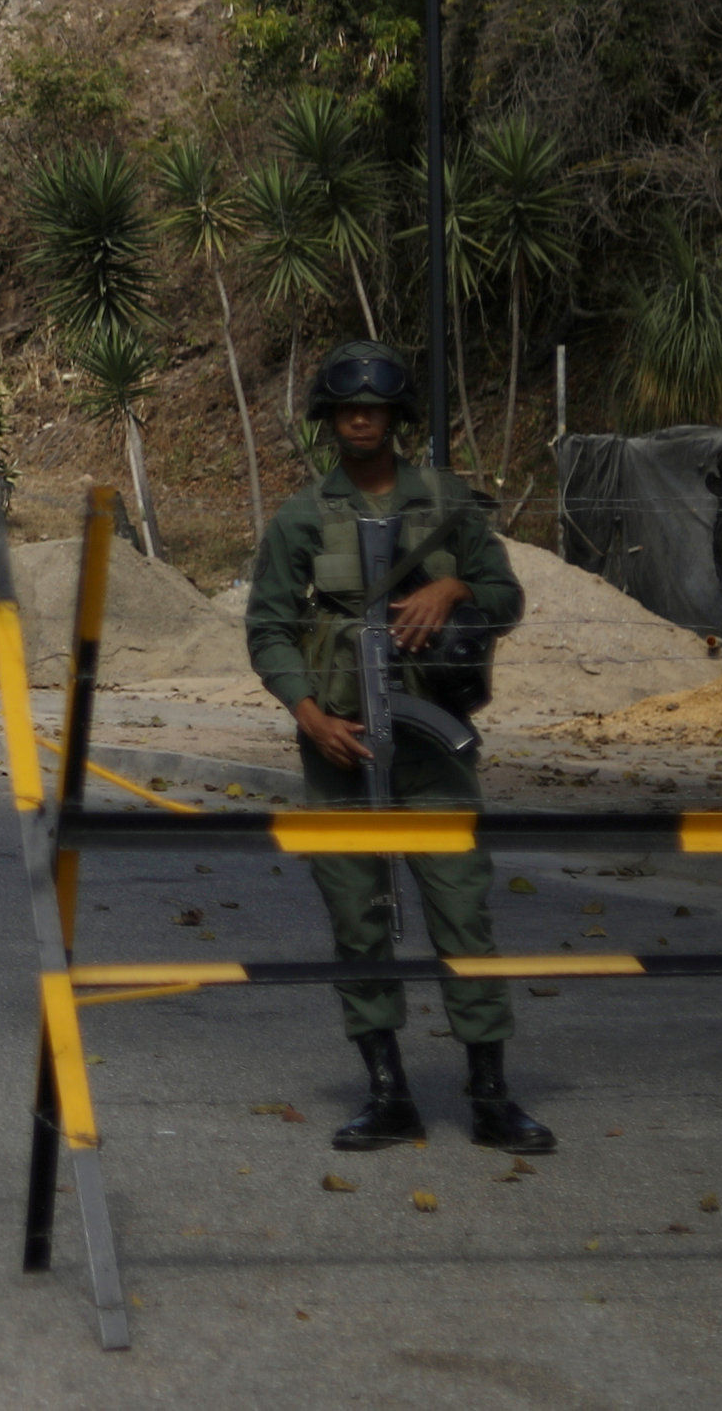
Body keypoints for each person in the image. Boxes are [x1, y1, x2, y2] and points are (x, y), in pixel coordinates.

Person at [247, 337, 555, 1157]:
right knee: (358, 922)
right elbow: (269, 627)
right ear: (329, 419)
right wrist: (307, 713)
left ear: (396, 419)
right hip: (341, 750)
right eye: (347, 407)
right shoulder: (302, 517)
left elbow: (505, 594)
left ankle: (490, 1094)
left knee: (462, 915)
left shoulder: (449, 505)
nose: (360, 418)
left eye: (375, 408)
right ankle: (388, 1095)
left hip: (434, 752)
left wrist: (451, 583)